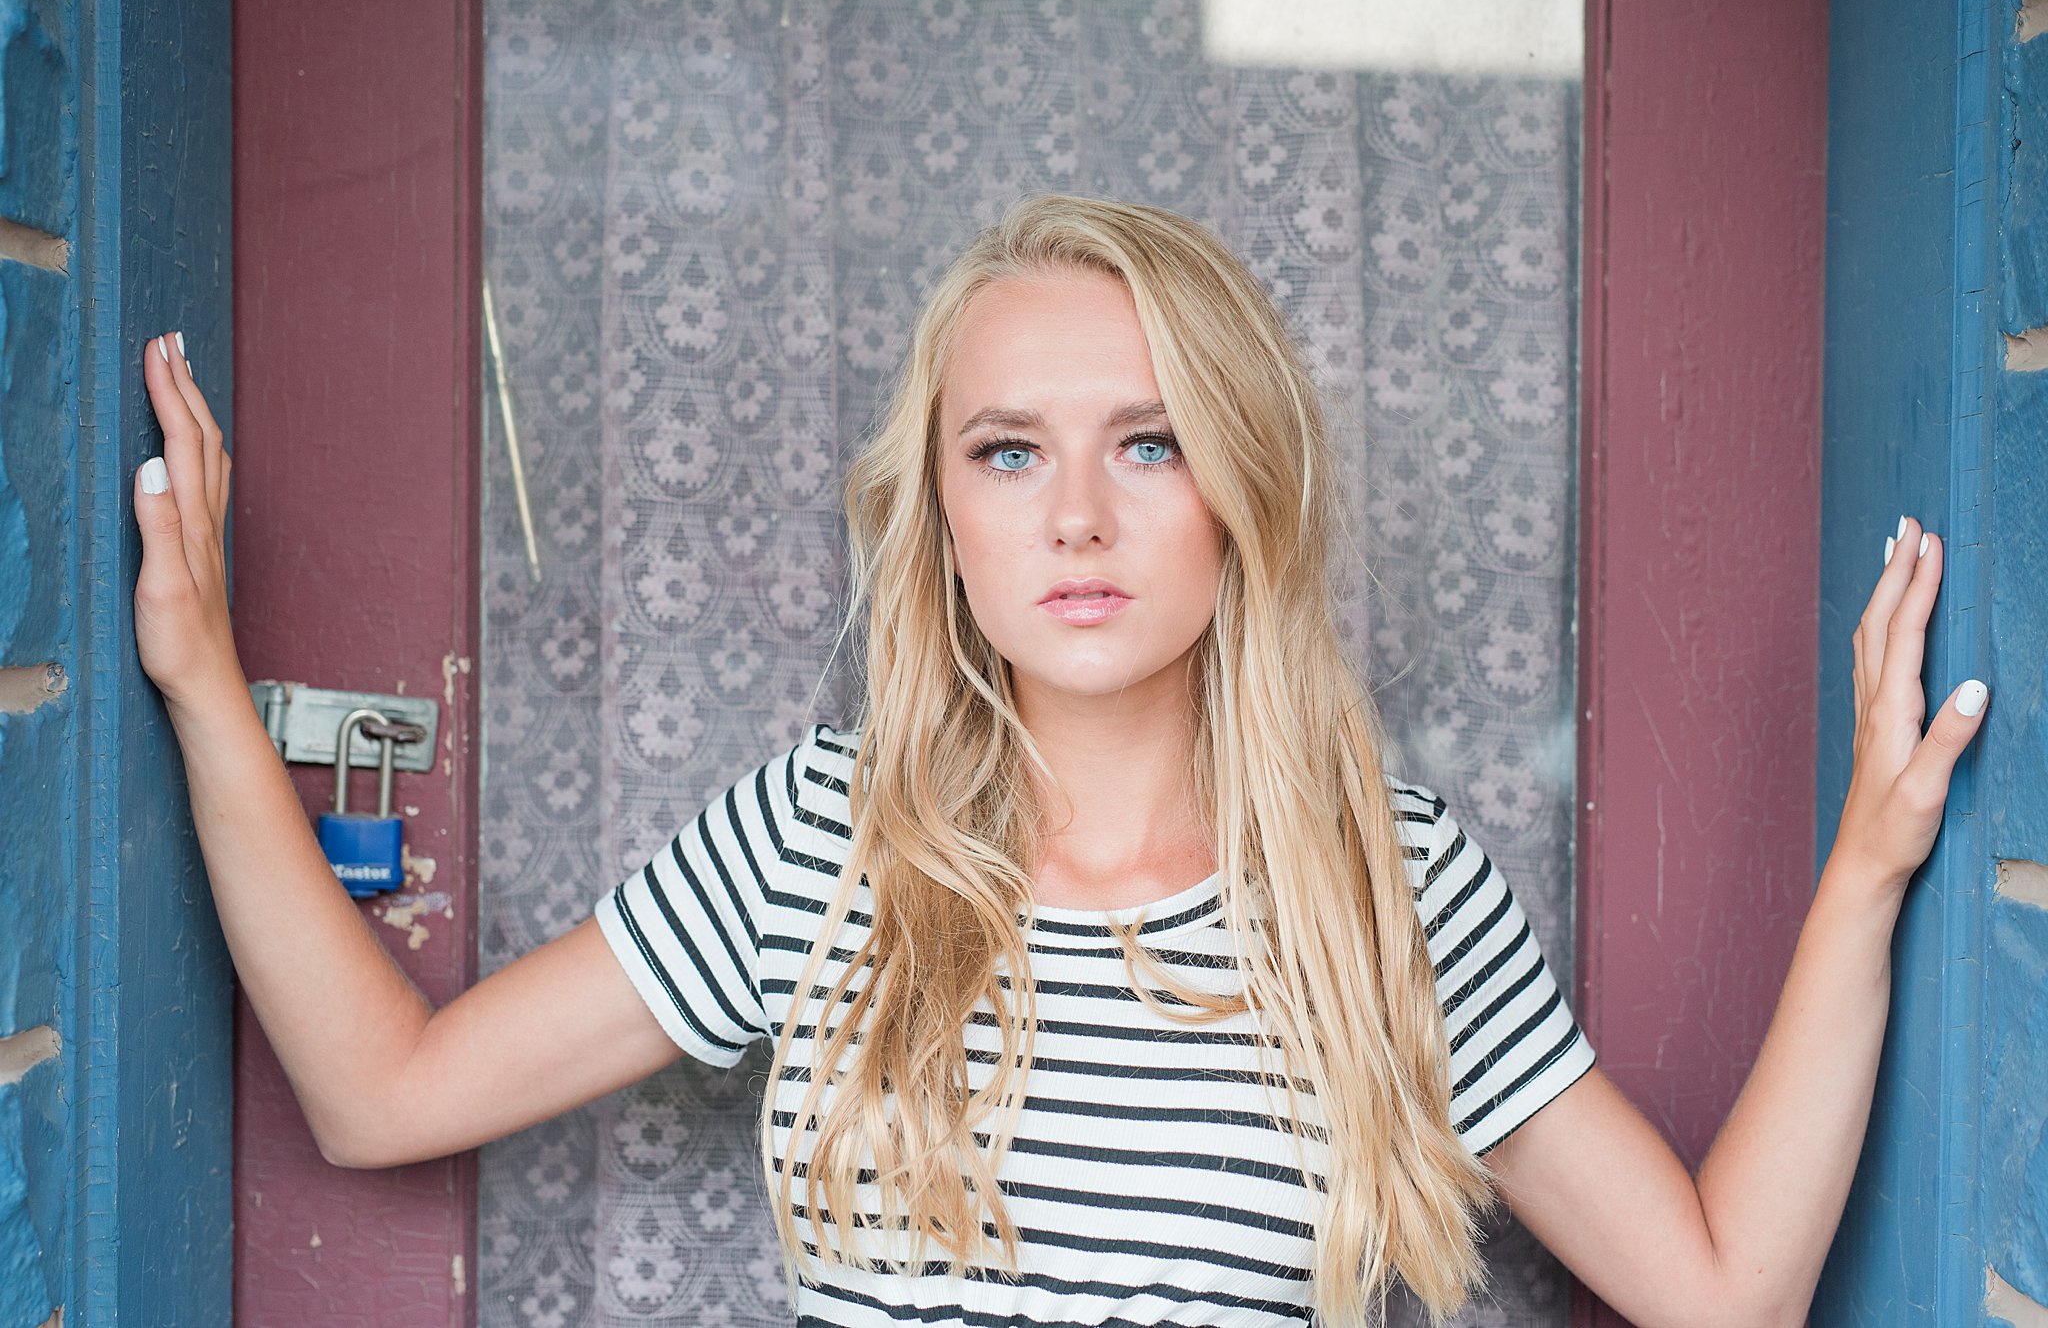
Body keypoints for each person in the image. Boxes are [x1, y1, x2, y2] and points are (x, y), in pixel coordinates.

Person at [131, 194, 1987, 1328]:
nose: (1078, 515)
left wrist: (1871, 865)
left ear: (1242, 491)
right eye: (1009, 451)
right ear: (940, 514)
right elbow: (379, 1093)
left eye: (1152, 445)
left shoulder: (1377, 884)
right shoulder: (821, 842)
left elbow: (1725, 1290)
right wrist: (209, 682)